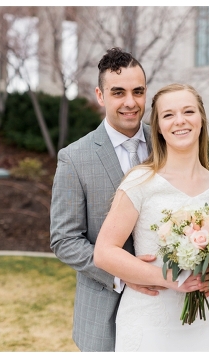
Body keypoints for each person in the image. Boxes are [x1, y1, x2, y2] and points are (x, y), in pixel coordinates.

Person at [93, 83, 209, 351]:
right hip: (148, 322)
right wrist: (170, 279)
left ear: (201, 119)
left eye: (188, 111)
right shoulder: (141, 181)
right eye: (168, 115)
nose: (180, 121)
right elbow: (105, 252)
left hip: (203, 325)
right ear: (159, 128)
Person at [50, 47, 164, 352]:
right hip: (104, 314)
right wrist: (124, 275)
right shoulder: (74, 158)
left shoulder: (167, 144)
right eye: (118, 92)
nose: (130, 102)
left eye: (138, 92)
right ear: (101, 96)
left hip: (166, 306)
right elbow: (65, 239)